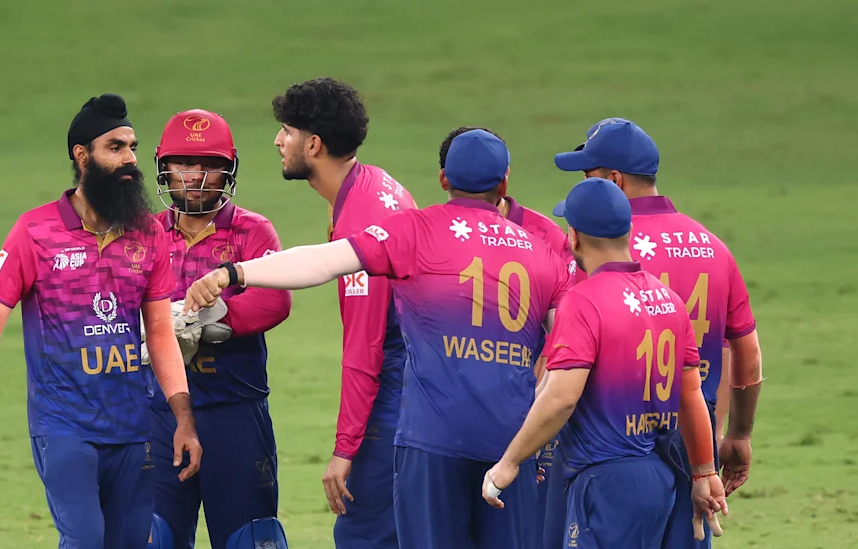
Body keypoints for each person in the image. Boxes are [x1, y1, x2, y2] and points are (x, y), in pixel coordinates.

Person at [183, 129, 572, 549]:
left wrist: (234, 272)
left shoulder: (415, 231)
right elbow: (570, 349)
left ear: (443, 179)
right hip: (510, 442)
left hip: (432, 442)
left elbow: (321, 262)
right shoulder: (542, 252)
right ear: (505, 182)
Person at [0, 93, 202, 549]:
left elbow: (159, 333)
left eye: (132, 147)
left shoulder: (148, 232)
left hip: (133, 426)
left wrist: (183, 419)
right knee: (86, 539)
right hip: (64, 426)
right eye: (115, 147)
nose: (130, 159)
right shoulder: (34, 232)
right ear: (81, 155)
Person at [481, 177, 728, 549]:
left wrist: (510, 462)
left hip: (605, 481)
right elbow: (691, 395)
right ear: (628, 230)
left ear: (574, 236)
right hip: (658, 477)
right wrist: (704, 472)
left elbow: (561, 398)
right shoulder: (668, 300)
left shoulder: (583, 301)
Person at [552, 118, 763, 547]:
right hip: (693, 439)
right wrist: (738, 434)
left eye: (588, 176)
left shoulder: (598, 248)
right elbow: (748, 355)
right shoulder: (713, 247)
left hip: (613, 441)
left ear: (614, 180)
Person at [271, 77, 416, 549]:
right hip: (418, 386)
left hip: (396, 396)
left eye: (287, 131)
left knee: (363, 535)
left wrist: (344, 449)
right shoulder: (376, 184)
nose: (278, 141)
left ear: (313, 145)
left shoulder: (361, 219)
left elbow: (364, 348)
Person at [144, 109, 292, 549]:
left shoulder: (252, 231)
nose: (194, 176)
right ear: (164, 167)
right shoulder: (144, 235)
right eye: (183, 164)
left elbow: (274, 301)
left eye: (208, 164)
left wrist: (201, 324)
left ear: (228, 170)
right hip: (159, 414)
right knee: (152, 536)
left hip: (234, 412)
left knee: (250, 538)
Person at [436, 125, 584, 549]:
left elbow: (566, 329)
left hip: (525, 412)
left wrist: (540, 399)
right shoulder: (440, 231)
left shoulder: (545, 236)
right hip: (449, 421)